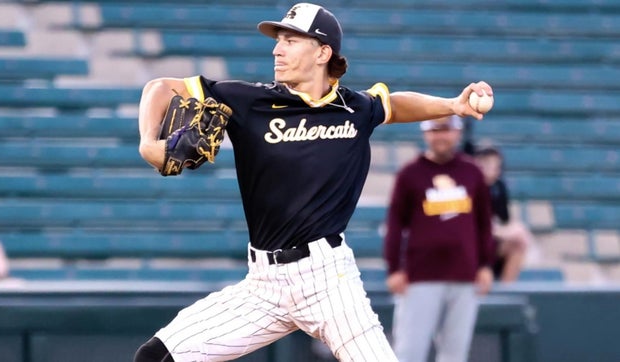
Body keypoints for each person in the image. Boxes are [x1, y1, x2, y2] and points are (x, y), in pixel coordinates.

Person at [134, 3, 494, 362]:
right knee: (156, 358)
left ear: (323, 52)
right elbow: (160, 87)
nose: (277, 49)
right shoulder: (248, 100)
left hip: (328, 281)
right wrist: (150, 144)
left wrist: (453, 105)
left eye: (290, 40)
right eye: (278, 40)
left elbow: (394, 106)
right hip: (263, 286)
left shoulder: (355, 108)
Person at [383, 115, 495, 362]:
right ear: (426, 133)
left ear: (456, 132)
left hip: (465, 274)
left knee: (455, 353)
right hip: (420, 276)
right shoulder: (409, 174)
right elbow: (394, 224)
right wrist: (394, 268)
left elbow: (484, 223)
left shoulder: (472, 172)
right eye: (435, 130)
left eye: (446, 129)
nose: (440, 135)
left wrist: (486, 265)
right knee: (409, 351)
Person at [473, 146, 532, 282]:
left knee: (518, 243)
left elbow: (503, 220)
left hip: (489, 240)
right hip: (471, 242)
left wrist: (515, 230)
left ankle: (506, 291)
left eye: (496, 165)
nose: (493, 169)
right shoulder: (469, 188)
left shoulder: (498, 188)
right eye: (486, 164)